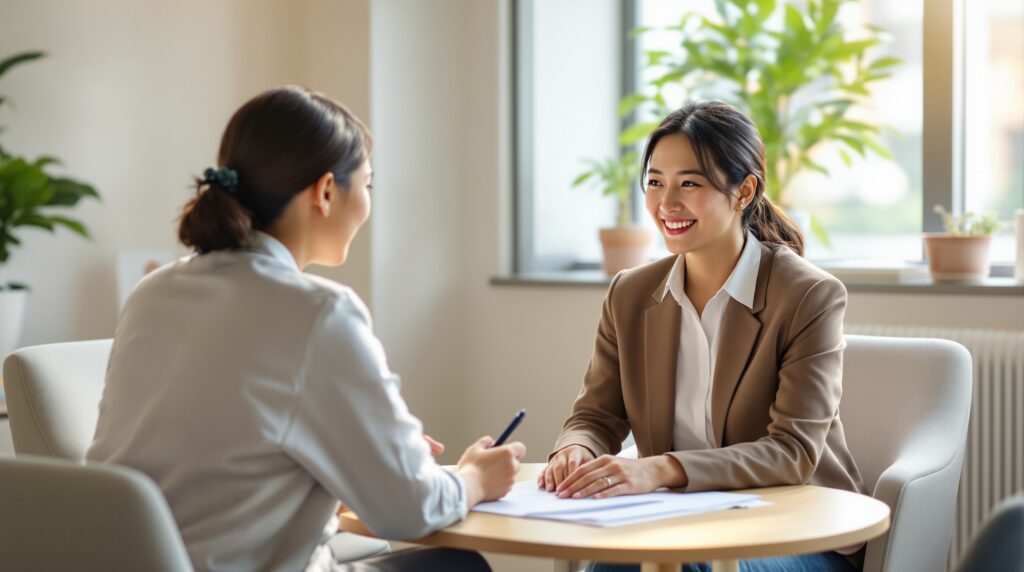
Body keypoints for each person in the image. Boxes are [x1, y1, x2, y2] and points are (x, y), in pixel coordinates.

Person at [86, 85, 525, 572]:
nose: (368, 203)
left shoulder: (153, 292)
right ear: (326, 192)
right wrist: (475, 479)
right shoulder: (319, 313)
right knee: (457, 567)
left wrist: (362, 452)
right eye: (368, 185)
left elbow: (220, 463)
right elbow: (409, 509)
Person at [538, 101, 867, 572]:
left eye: (689, 183)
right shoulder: (630, 294)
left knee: (686, 566)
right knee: (615, 565)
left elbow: (792, 452)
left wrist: (660, 469)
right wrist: (576, 450)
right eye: (655, 183)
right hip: (678, 524)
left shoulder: (808, 295)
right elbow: (596, 414)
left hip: (795, 530)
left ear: (743, 191)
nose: (666, 204)